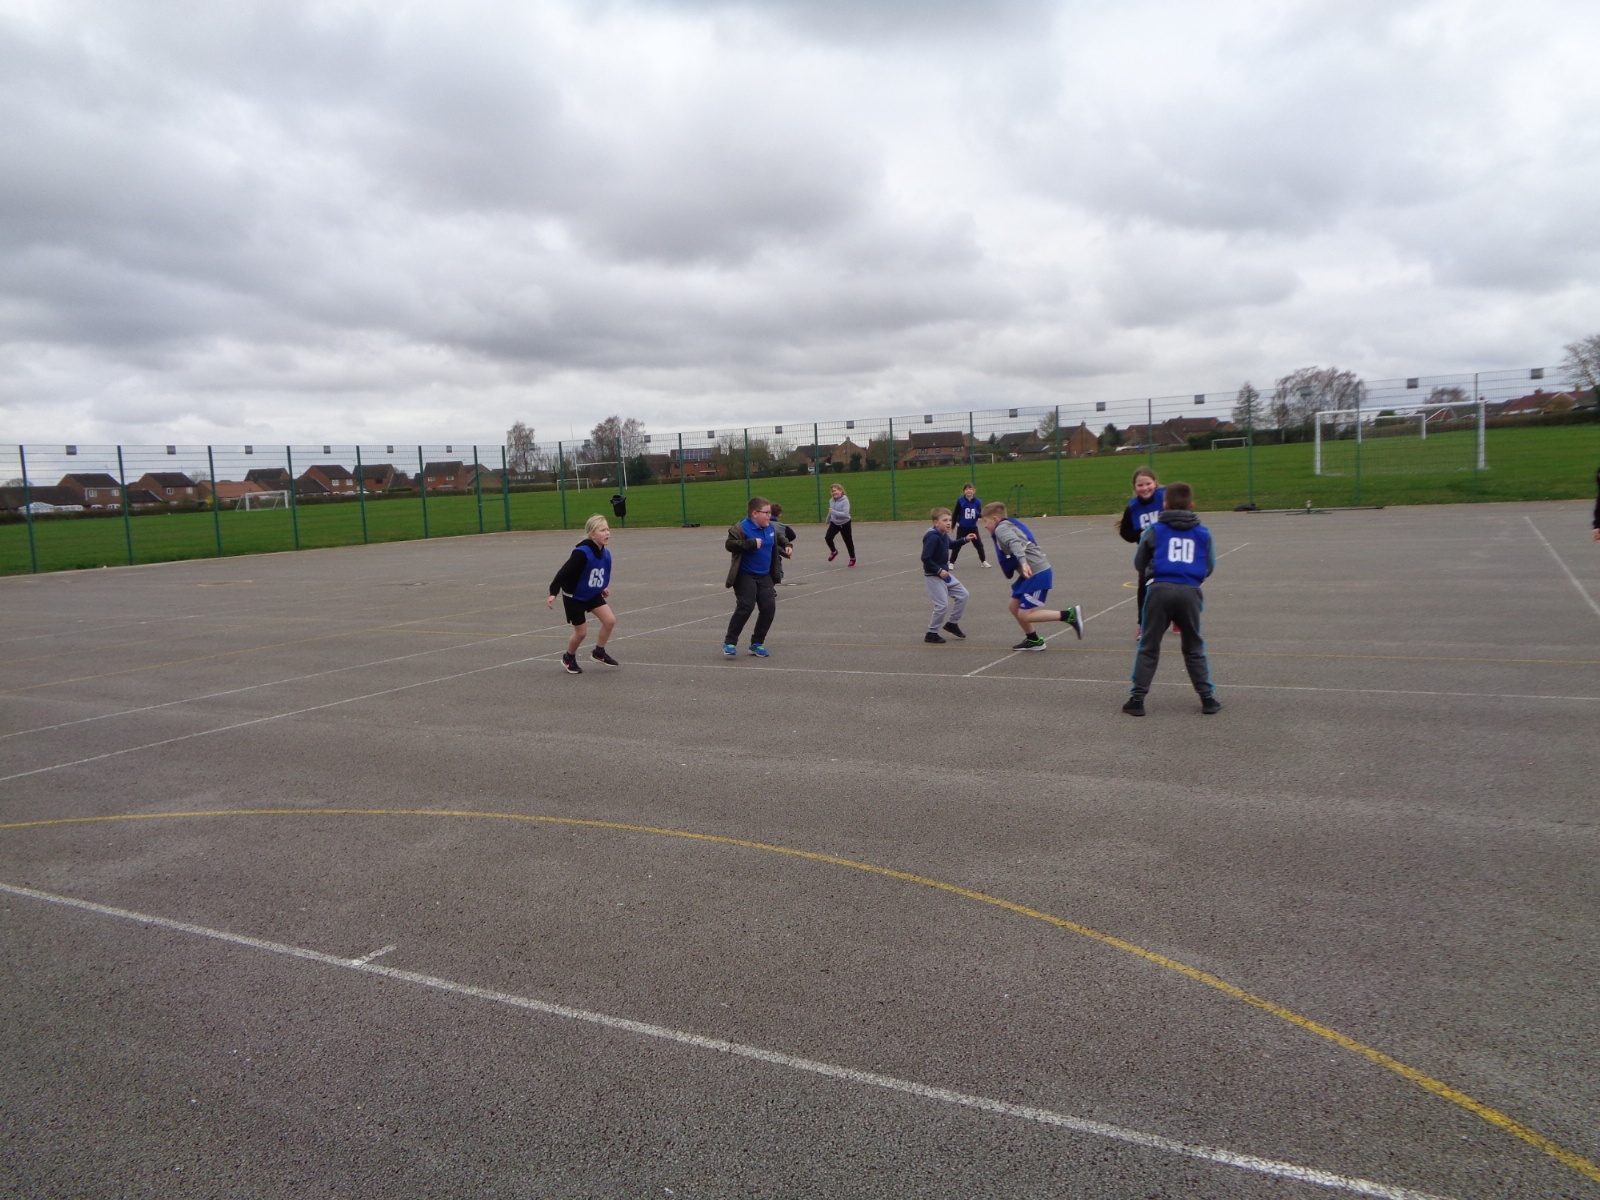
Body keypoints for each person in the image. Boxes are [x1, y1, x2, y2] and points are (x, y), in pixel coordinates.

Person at [1122, 481, 1220, 716]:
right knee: (1194, 646)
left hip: (1159, 589)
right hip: (1190, 592)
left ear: (1164, 505)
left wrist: (1151, 572)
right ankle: (1207, 698)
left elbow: (1139, 562)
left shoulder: (1154, 530)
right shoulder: (1203, 533)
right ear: (1192, 505)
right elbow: (1209, 566)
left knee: (1149, 645)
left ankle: (1137, 699)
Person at [980, 501, 1084, 651]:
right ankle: (1033, 640)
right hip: (1031, 573)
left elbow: (1015, 542)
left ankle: (1069, 615)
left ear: (995, 519)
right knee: (1014, 606)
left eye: (985, 521)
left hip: (1037, 573)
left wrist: (1023, 562)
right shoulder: (1008, 525)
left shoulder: (1001, 529)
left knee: (1025, 614)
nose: (984, 526)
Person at [546, 514, 619, 674]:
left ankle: (599, 652)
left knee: (609, 620)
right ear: (592, 534)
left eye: (608, 529)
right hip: (575, 597)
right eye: (602, 530)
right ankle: (568, 657)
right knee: (581, 633)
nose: (607, 533)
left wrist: (601, 587)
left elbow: (594, 573)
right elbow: (563, 573)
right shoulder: (581, 553)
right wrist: (553, 592)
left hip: (591, 594)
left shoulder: (606, 554)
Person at [723, 496, 791, 658]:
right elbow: (729, 544)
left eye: (770, 513)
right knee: (746, 605)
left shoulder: (769, 527)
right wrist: (749, 544)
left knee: (768, 608)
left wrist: (787, 545)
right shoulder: (741, 528)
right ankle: (730, 642)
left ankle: (757, 643)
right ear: (755, 513)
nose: (769, 516)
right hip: (744, 574)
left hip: (764, 575)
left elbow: (778, 537)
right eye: (766, 513)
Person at [1117, 467, 1166, 638]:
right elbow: (1125, 532)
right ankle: (1143, 624)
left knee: (1173, 587)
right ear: (1134, 487)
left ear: (1155, 483)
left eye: (1148, 483)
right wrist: (1138, 535)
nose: (1145, 488)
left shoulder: (1165, 498)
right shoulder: (1133, 507)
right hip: (1148, 555)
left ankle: (1177, 617)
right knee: (1145, 590)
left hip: (1168, 552)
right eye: (1140, 485)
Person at [921, 508, 972, 643]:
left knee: (963, 595)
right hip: (934, 576)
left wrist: (965, 539)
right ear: (935, 522)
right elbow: (925, 558)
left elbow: (950, 544)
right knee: (942, 605)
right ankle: (931, 633)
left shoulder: (942, 534)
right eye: (945, 520)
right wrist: (938, 571)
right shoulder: (933, 537)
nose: (949, 523)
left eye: (950, 520)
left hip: (944, 575)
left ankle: (952, 624)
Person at [949, 482, 988, 567]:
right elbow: (955, 513)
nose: (968, 491)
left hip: (973, 527)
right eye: (966, 489)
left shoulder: (978, 502)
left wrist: (985, 518)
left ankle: (983, 561)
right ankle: (951, 562)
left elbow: (979, 513)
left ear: (974, 491)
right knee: (957, 545)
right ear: (964, 491)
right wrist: (953, 525)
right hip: (962, 527)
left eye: (970, 489)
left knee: (979, 545)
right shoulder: (960, 501)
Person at [825, 483, 856, 565]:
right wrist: (827, 520)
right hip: (835, 523)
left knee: (848, 541)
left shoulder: (845, 501)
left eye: (835, 491)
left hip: (845, 523)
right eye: (832, 491)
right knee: (828, 537)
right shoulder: (831, 501)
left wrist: (833, 512)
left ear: (841, 491)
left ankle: (852, 558)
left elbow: (845, 514)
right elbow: (830, 511)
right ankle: (834, 551)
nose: (834, 493)